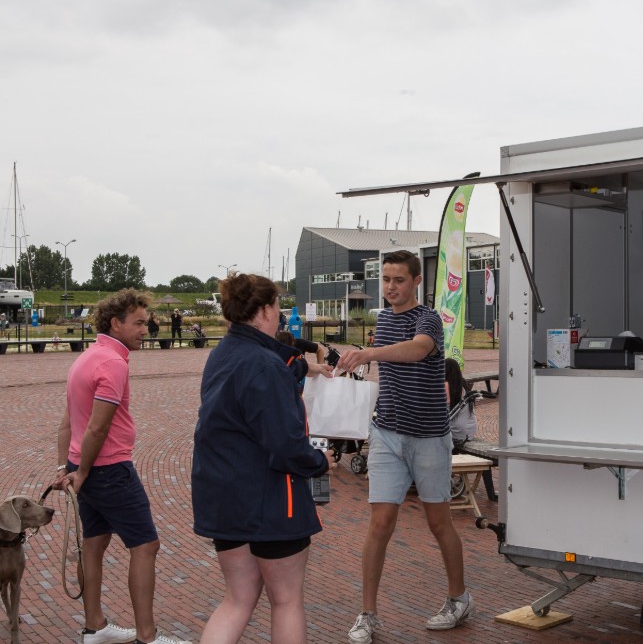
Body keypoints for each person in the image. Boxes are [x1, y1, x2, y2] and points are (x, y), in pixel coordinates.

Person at [337, 250, 472, 643]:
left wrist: (370, 352)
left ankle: (459, 598)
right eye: (386, 280)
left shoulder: (427, 318)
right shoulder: (381, 320)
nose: (390, 287)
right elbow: (387, 364)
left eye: (398, 280)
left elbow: (417, 349)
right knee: (379, 524)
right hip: (387, 435)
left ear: (415, 281)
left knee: (438, 522)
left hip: (429, 437)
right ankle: (367, 613)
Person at [192, 273, 333, 644]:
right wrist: (320, 462)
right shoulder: (264, 364)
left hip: (225, 495)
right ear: (268, 309)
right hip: (270, 499)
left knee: (237, 599)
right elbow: (285, 445)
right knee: (286, 601)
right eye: (279, 309)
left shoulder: (223, 353)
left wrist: (305, 367)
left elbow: (258, 382)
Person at [53, 289, 188, 644]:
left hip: (85, 467)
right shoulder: (112, 363)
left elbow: (68, 421)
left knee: (94, 543)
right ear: (116, 323)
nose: (147, 328)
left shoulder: (86, 357)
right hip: (108, 470)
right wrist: (81, 473)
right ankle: (148, 635)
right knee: (145, 546)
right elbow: (98, 427)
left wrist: (64, 467)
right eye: (139, 323)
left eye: (147, 322)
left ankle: (94, 626)